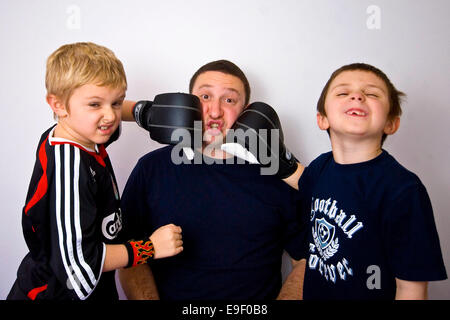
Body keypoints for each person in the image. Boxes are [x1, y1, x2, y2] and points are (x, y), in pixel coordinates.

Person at [7, 42, 183, 301]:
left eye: (116, 102)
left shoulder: (82, 131)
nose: (110, 116)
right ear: (58, 105)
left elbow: (104, 109)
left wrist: (143, 112)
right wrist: (150, 248)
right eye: (95, 104)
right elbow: (81, 265)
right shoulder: (69, 167)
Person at [118, 60, 305, 300]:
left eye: (229, 100)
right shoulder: (151, 168)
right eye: (205, 97)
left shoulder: (278, 174)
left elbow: (304, 260)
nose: (215, 111)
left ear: (246, 111)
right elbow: (130, 254)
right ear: (189, 103)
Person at [285, 63, 447, 299]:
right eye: (343, 93)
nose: (357, 96)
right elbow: (303, 180)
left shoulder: (403, 189)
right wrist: (265, 153)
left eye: (371, 94)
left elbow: (411, 289)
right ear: (322, 119)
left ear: (391, 123)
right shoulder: (322, 166)